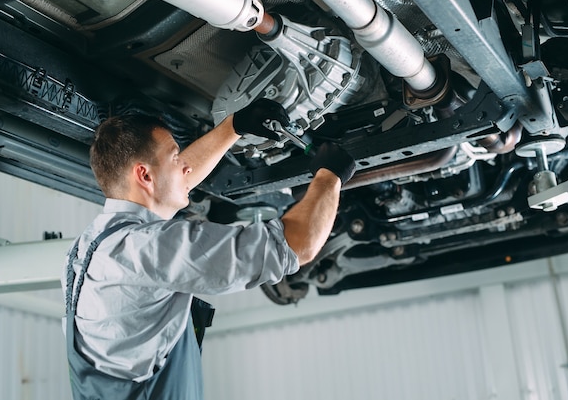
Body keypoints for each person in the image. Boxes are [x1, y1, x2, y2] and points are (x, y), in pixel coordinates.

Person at [61, 98, 356, 400]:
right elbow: (295, 245)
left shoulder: (91, 245)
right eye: (175, 158)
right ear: (144, 176)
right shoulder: (146, 248)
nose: (184, 167)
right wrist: (329, 177)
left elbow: (176, 182)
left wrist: (233, 127)